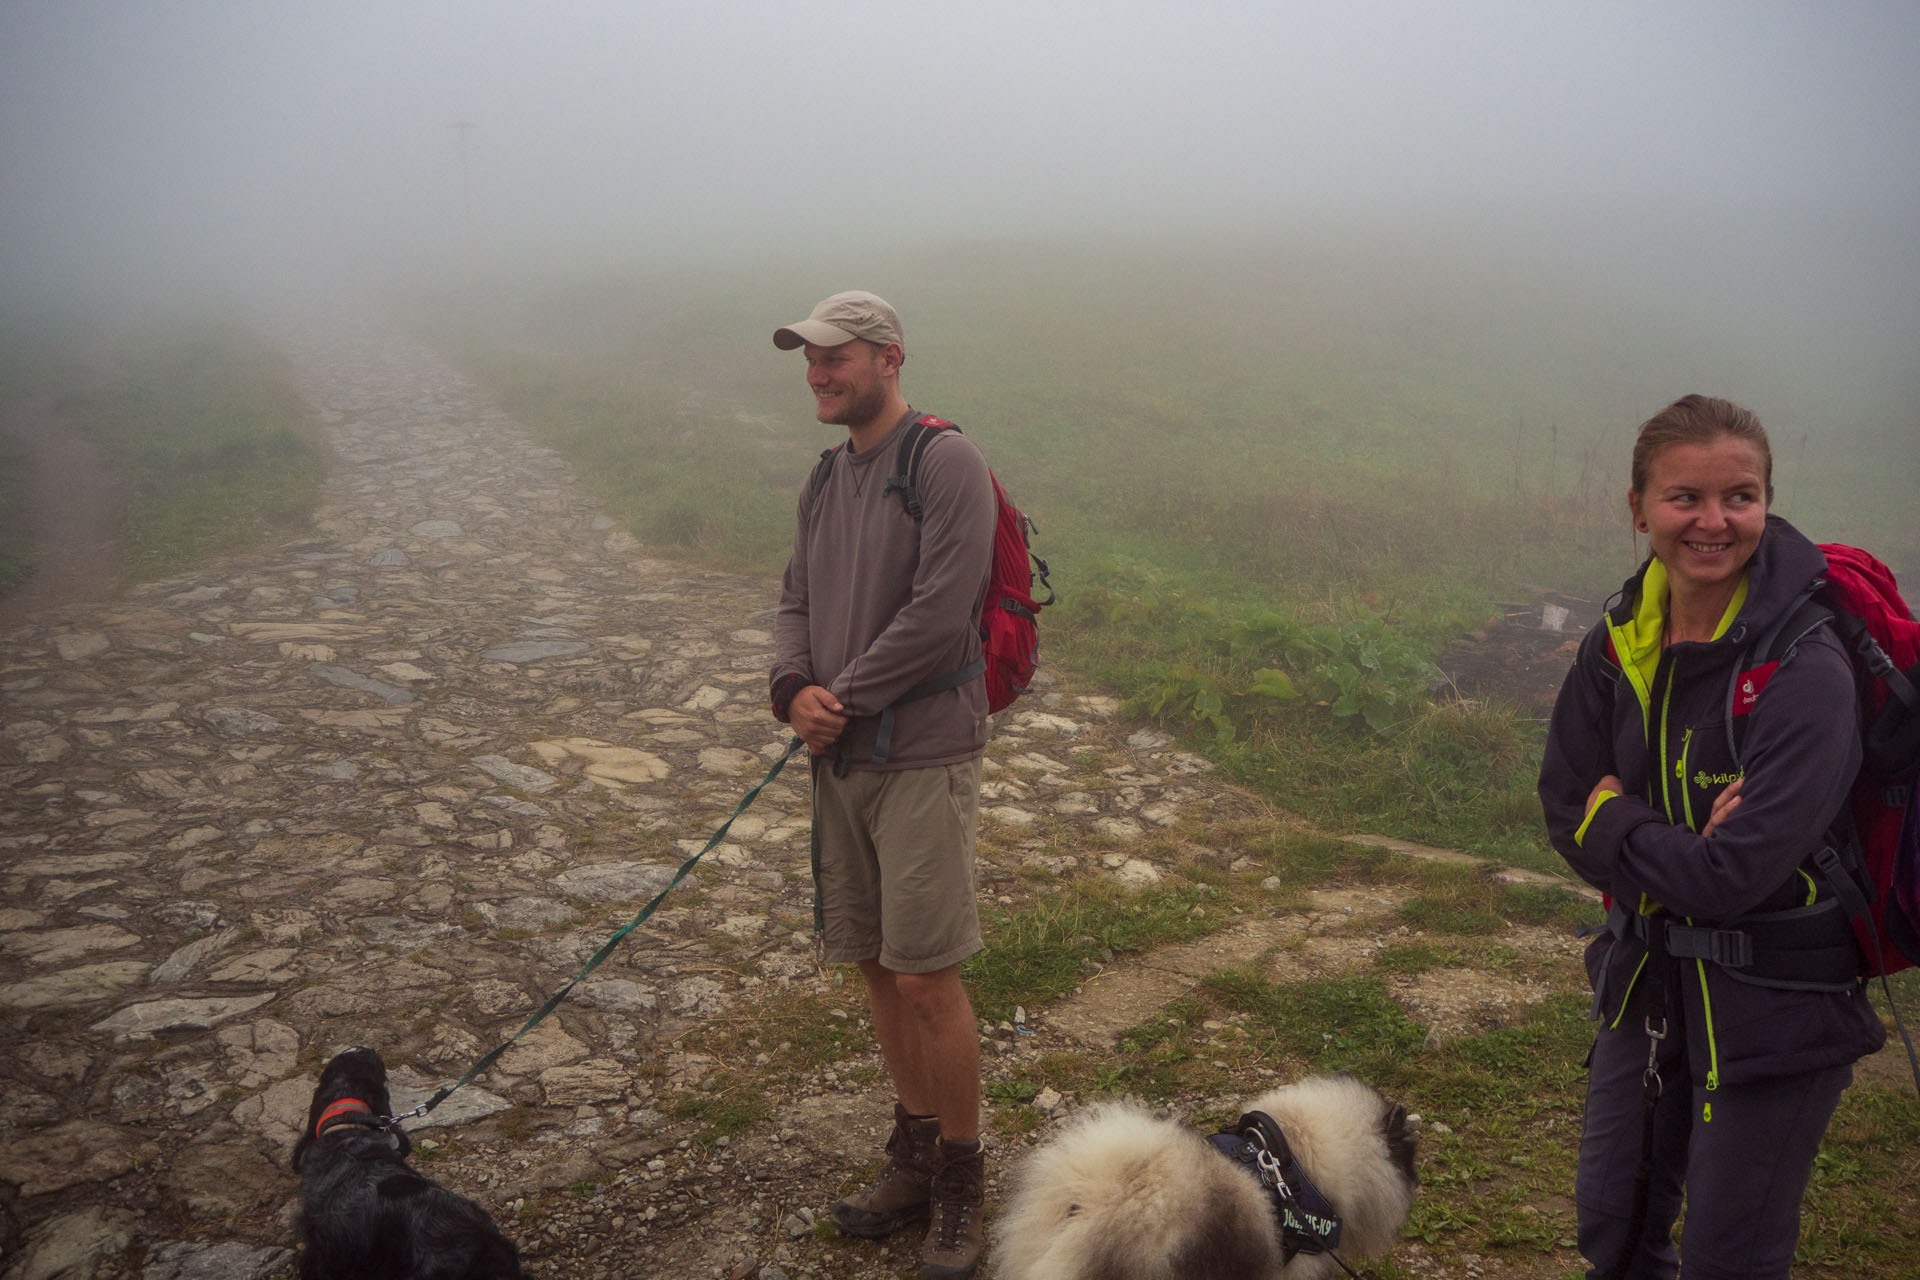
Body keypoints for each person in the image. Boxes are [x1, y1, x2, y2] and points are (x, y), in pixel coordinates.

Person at [1539, 394, 1886, 1279]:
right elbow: (1559, 804)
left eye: (1740, 496)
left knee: (1730, 1258)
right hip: (1644, 975)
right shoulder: (1621, 638)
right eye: (1685, 497)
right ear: (1639, 507)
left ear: (1767, 500)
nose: (1713, 521)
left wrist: (1617, 817)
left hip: (1778, 995)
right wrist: (1672, 850)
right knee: (1613, 1234)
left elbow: (1731, 876)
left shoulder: (1806, 667)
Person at [767, 290, 997, 1280]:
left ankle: (961, 1177)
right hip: (842, 751)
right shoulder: (826, 478)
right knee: (871, 958)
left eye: (838, 357)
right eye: (810, 358)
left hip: (921, 748)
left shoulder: (943, 463)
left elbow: (945, 611)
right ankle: (912, 1147)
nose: (820, 373)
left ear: (889, 358)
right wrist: (792, 691)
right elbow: (797, 597)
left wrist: (840, 695)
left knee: (925, 971)